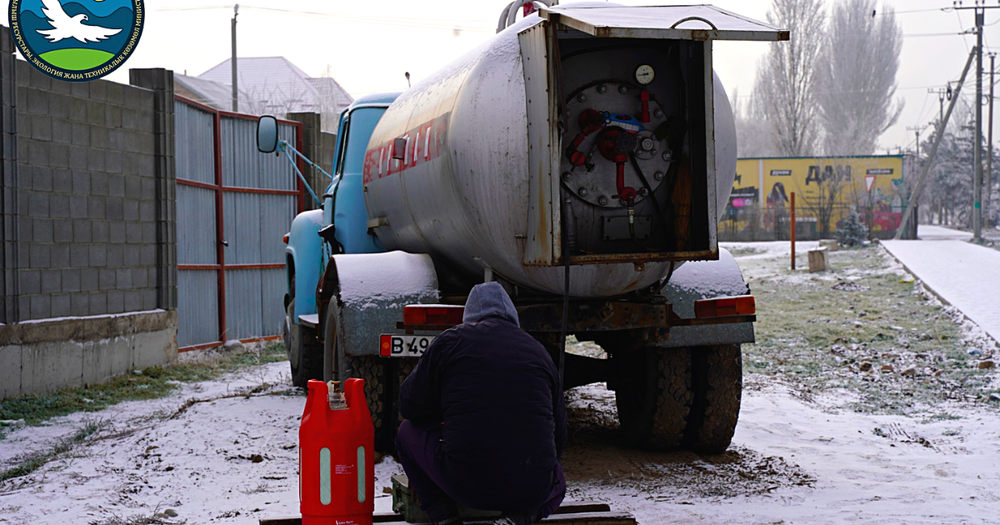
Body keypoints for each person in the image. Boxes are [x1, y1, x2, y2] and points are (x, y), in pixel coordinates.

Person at [395, 282, 567, 525]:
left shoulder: (450, 342)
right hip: (531, 489)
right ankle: (520, 518)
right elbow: (559, 437)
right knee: (556, 479)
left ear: (469, 317)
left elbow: (409, 406)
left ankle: (443, 516)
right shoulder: (538, 351)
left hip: (465, 485)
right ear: (512, 315)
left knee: (405, 433)